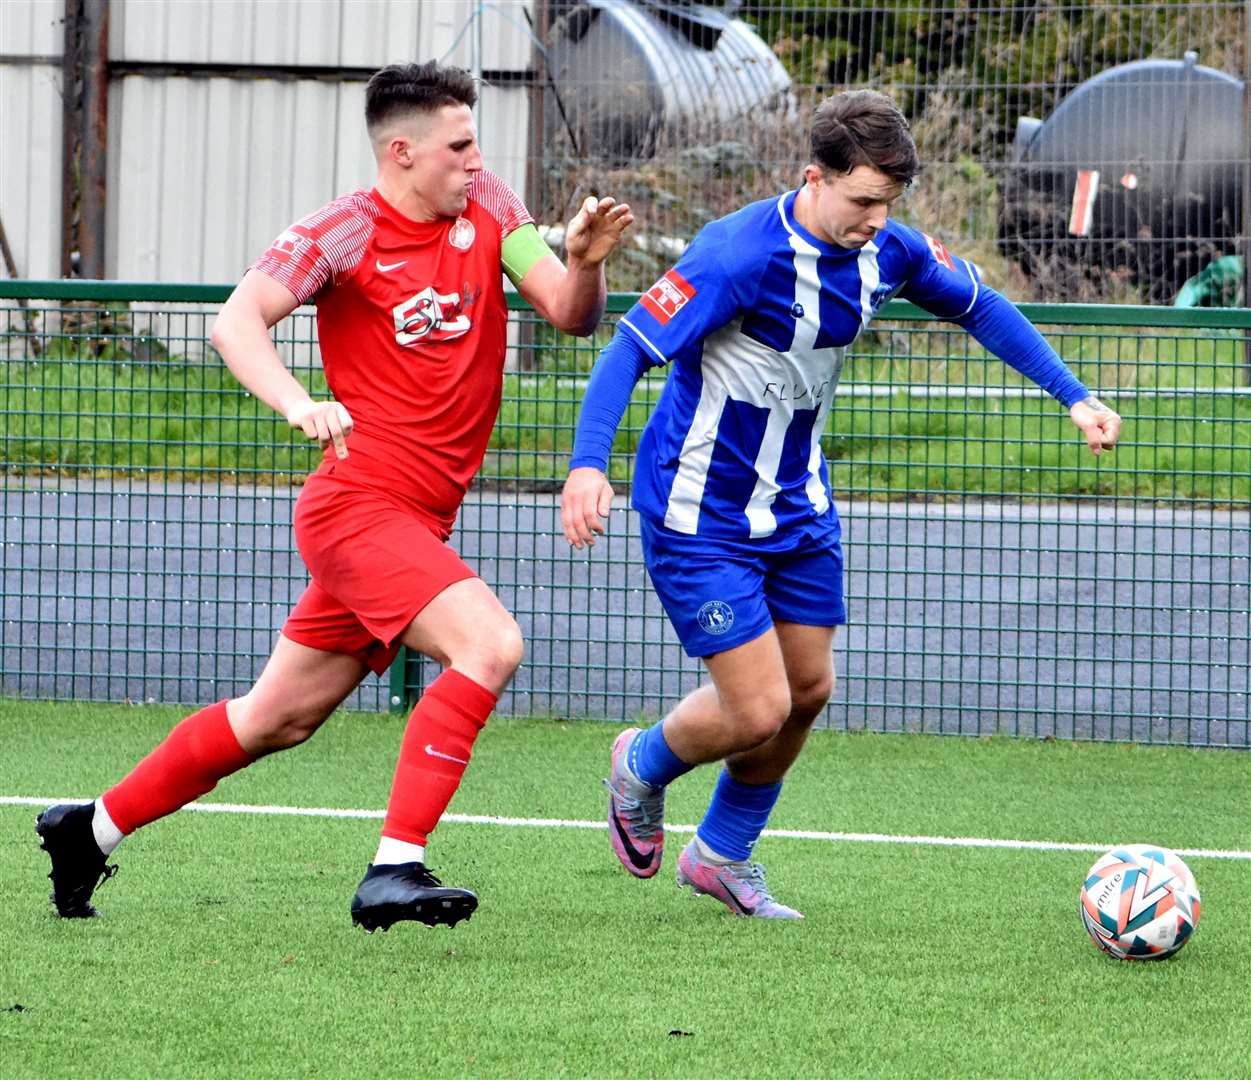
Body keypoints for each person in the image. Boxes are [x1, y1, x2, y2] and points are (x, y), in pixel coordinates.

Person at [36, 60, 632, 931]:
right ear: (402, 152)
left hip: (415, 517)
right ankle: (395, 867)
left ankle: (89, 829)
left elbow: (570, 311)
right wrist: (299, 401)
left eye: (475, 143)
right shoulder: (344, 232)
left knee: (274, 719)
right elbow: (234, 321)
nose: (476, 159)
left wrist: (581, 262)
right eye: (459, 145)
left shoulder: (494, 207)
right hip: (356, 507)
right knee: (491, 644)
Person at [561, 89, 1120, 920]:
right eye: (861, 200)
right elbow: (628, 351)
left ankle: (721, 855)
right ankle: (640, 762)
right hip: (699, 508)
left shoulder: (885, 250)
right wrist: (584, 465)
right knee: (756, 708)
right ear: (812, 177)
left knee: (809, 688)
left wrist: (1072, 397)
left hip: (797, 505)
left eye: (887, 203)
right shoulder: (733, 255)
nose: (874, 219)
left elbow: (981, 305)